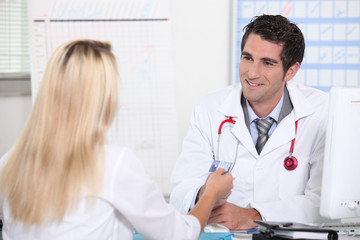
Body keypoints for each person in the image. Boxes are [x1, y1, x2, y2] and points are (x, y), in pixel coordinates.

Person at [0, 40, 233, 240]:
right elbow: (178, 234)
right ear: (101, 98)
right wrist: (211, 192)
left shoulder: (9, 163)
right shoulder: (113, 163)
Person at [170, 14, 329, 231]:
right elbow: (181, 189)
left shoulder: (321, 112)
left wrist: (254, 216)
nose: (252, 73)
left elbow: (325, 202)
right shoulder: (210, 108)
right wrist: (205, 195)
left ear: (291, 71)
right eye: (247, 58)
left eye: (267, 63)